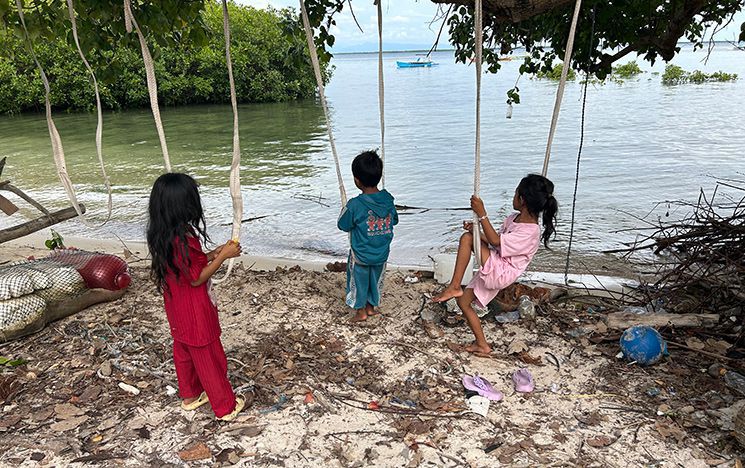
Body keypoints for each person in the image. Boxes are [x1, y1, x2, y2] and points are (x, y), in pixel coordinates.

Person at [146, 173, 245, 421]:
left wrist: (214, 253)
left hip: (176, 307)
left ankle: (190, 396)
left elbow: (189, 265)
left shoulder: (163, 234)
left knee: (184, 350)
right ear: (185, 205)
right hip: (194, 308)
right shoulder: (182, 239)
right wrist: (223, 258)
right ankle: (225, 408)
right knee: (208, 355)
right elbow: (196, 277)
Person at [433, 174, 558, 354]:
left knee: (467, 239)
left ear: (522, 199)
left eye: (516, 193)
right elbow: (495, 242)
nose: (513, 196)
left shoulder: (530, 232)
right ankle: (482, 344)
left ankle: (454, 285)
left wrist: (482, 214)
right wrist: (476, 231)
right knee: (464, 303)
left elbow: (495, 241)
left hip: (502, 272)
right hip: (496, 261)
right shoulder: (513, 219)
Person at [338, 150, 398, 322]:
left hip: (360, 255)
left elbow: (343, 225)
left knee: (357, 281)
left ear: (357, 180)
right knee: (375, 279)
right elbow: (394, 220)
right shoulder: (388, 200)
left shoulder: (355, 205)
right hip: (381, 253)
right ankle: (371, 307)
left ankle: (361, 311)